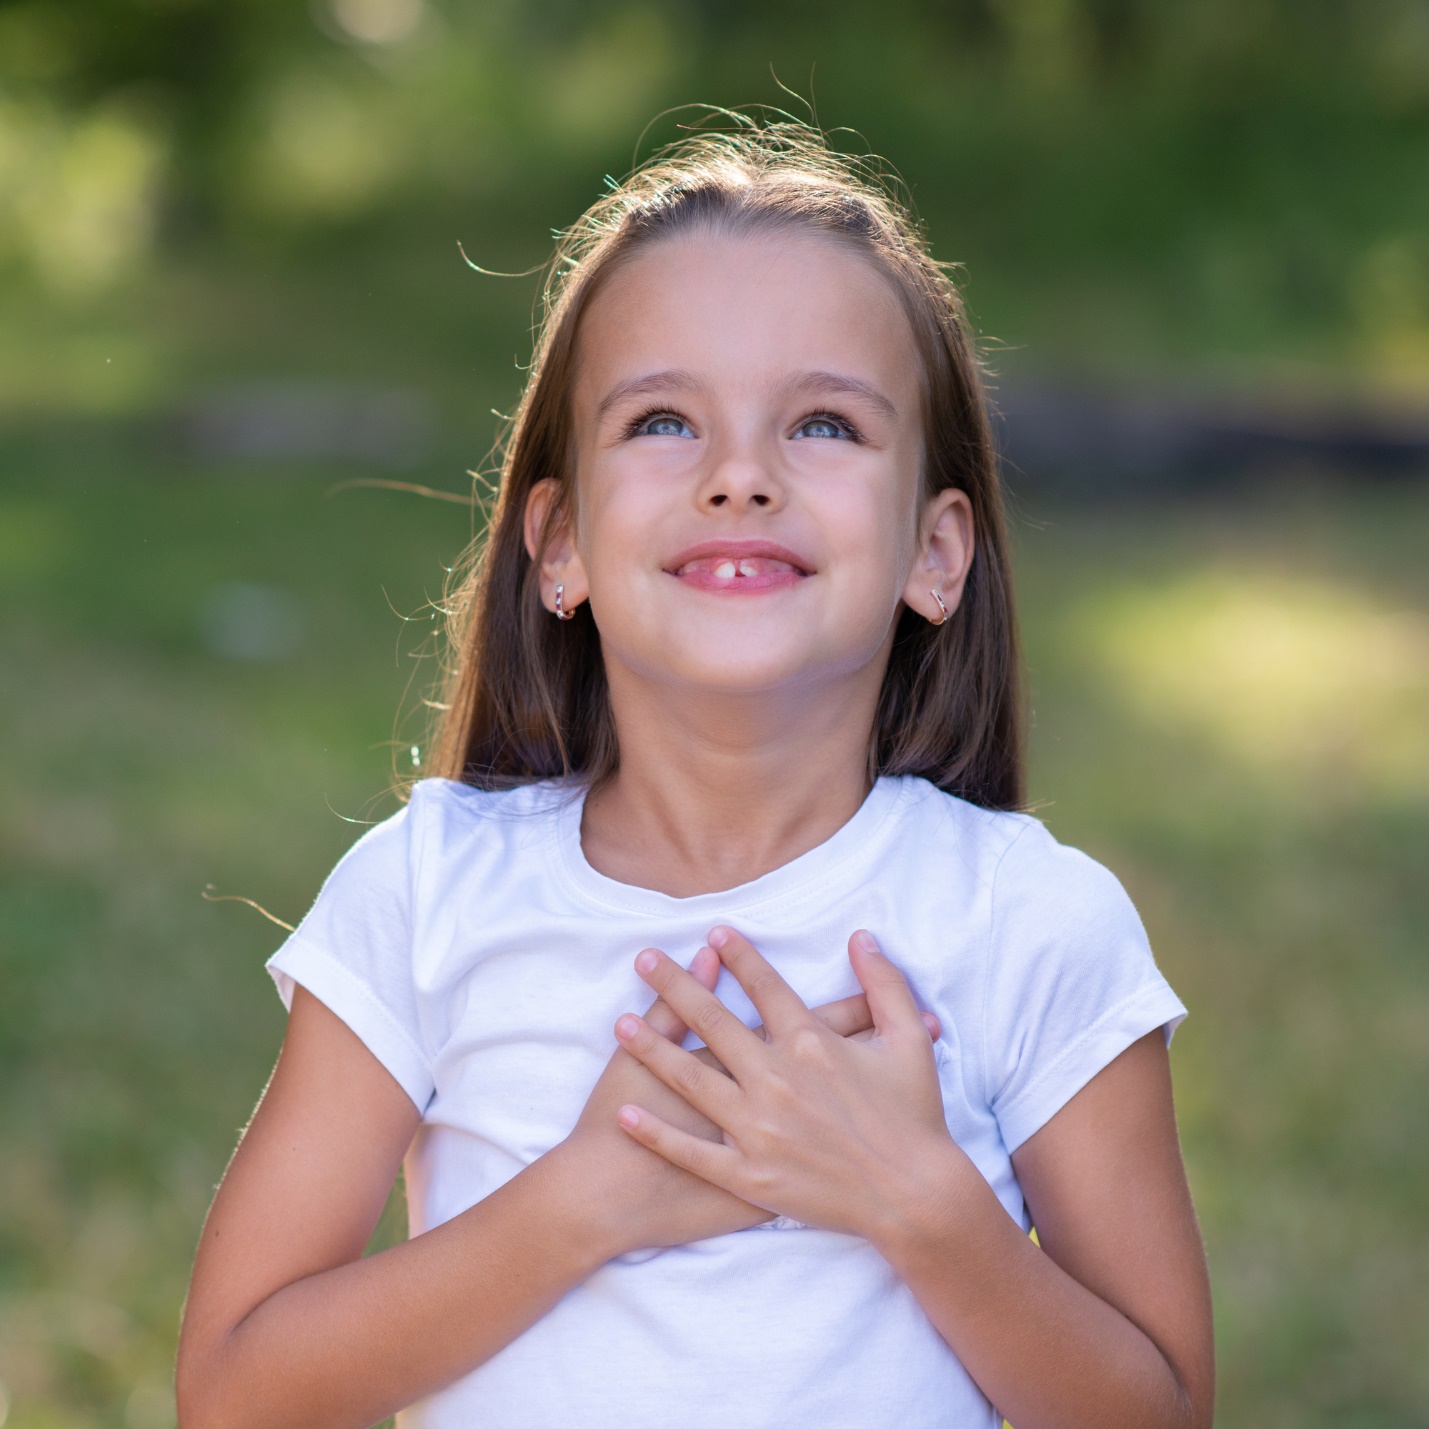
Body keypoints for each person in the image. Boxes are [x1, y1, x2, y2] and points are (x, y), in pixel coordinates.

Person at [175, 120, 1214, 1429]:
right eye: (664, 419)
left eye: (823, 423)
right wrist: (586, 1199)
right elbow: (232, 1393)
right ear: (557, 545)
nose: (740, 476)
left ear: (934, 552)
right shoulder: (427, 893)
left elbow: (1161, 1410)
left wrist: (918, 1200)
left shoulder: (1026, 920)